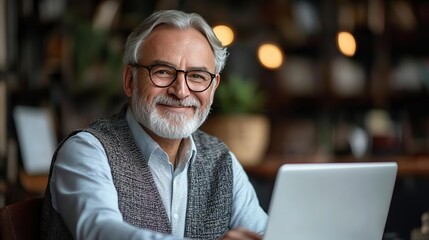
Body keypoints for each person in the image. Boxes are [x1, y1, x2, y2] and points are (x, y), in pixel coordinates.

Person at [40, 9, 268, 240]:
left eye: (197, 76)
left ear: (213, 86)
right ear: (130, 80)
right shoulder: (86, 150)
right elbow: (101, 232)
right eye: (162, 72)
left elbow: (268, 233)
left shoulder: (221, 160)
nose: (181, 91)